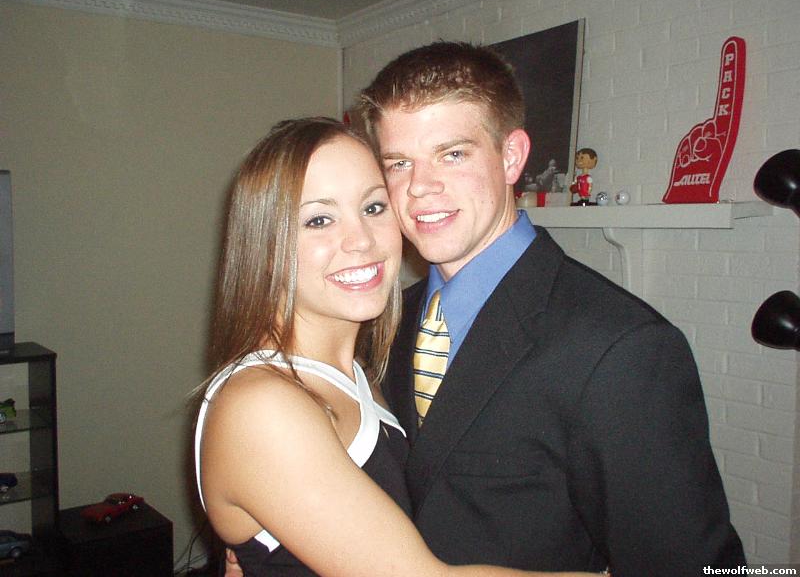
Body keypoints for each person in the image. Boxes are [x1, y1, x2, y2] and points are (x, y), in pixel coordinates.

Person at [353, 42, 746, 576]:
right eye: (399, 163)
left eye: (453, 154)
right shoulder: (387, 320)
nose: (420, 187)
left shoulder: (621, 348)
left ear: (511, 156)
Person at [196, 117, 600, 577]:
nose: (361, 241)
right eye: (319, 219)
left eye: (373, 208)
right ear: (265, 247)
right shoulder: (261, 406)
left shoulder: (365, 373)